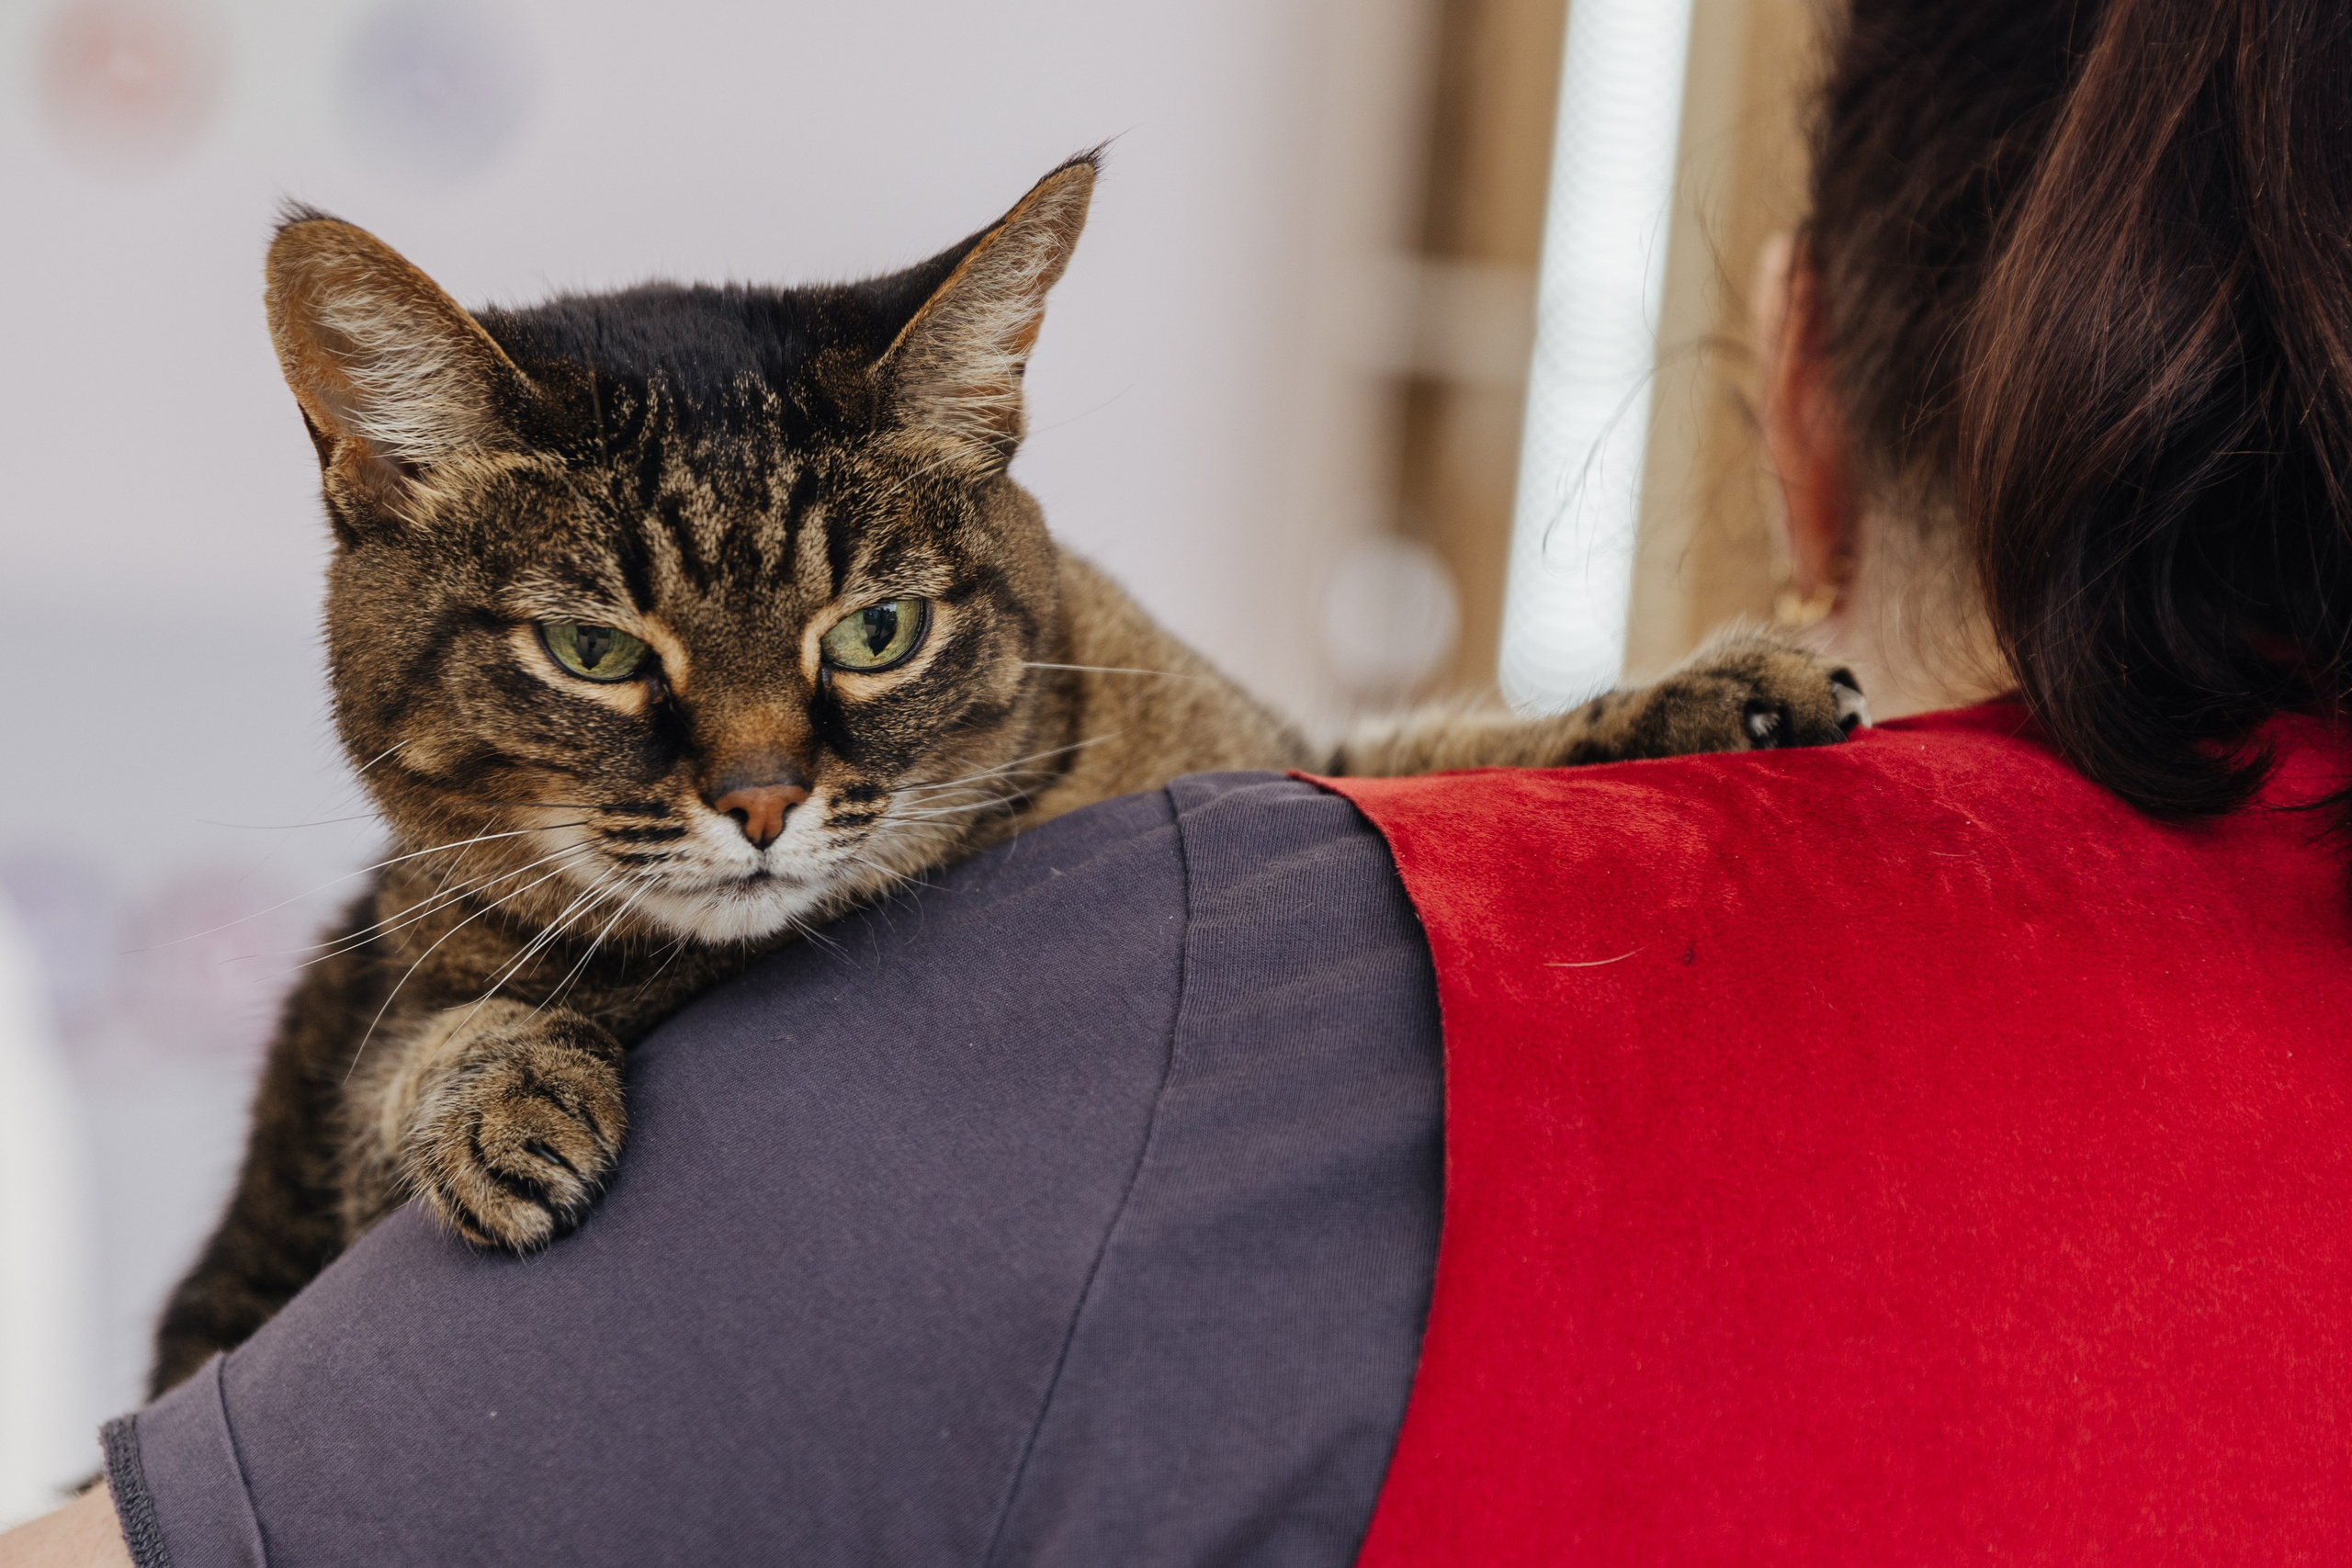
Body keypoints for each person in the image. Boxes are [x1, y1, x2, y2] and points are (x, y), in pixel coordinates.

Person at [11, 0, 2352, 1559]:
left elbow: (1299, 802)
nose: (750, 780)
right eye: (606, 663)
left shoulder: (1162, 915)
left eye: (861, 646)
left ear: (1795, 387)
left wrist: (1551, 764)